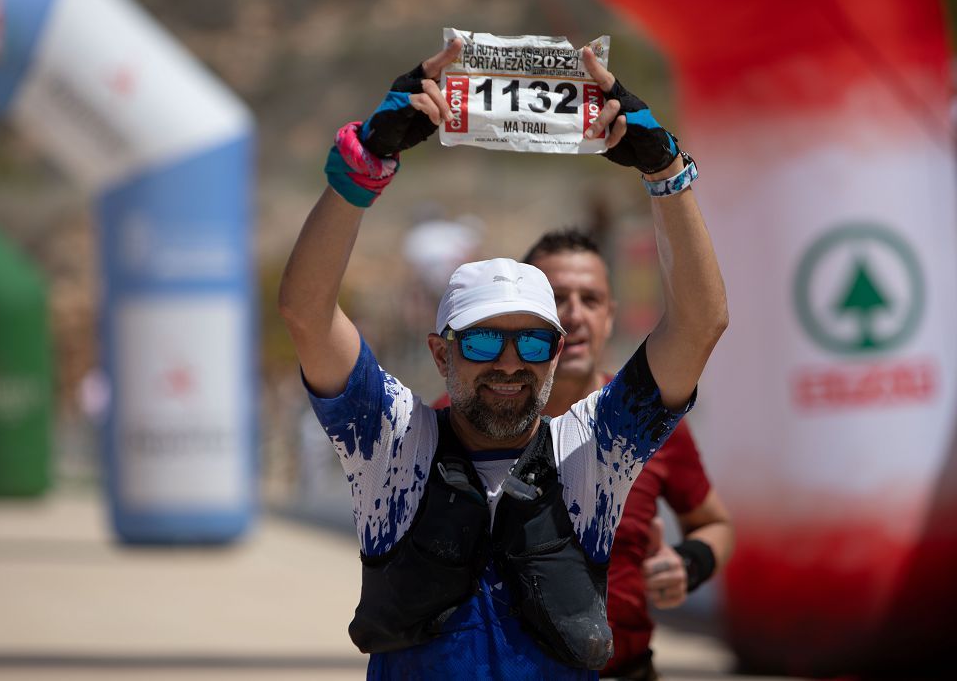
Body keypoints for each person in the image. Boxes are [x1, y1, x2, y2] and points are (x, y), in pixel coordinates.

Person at [278, 37, 728, 680]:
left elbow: (700, 323)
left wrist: (667, 173)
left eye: (534, 342)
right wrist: (365, 164)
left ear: (555, 355)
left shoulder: (591, 453)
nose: (511, 364)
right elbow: (306, 313)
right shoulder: (392, 444)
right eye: (485, 341)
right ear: (440, 352)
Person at [522, 230, 734, 680]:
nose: (573, 314)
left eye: (591, 299)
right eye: (556, 297)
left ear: (610, 316)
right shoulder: (466, 422)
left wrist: (687, 563)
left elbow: (715, 524)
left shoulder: (650, 421)